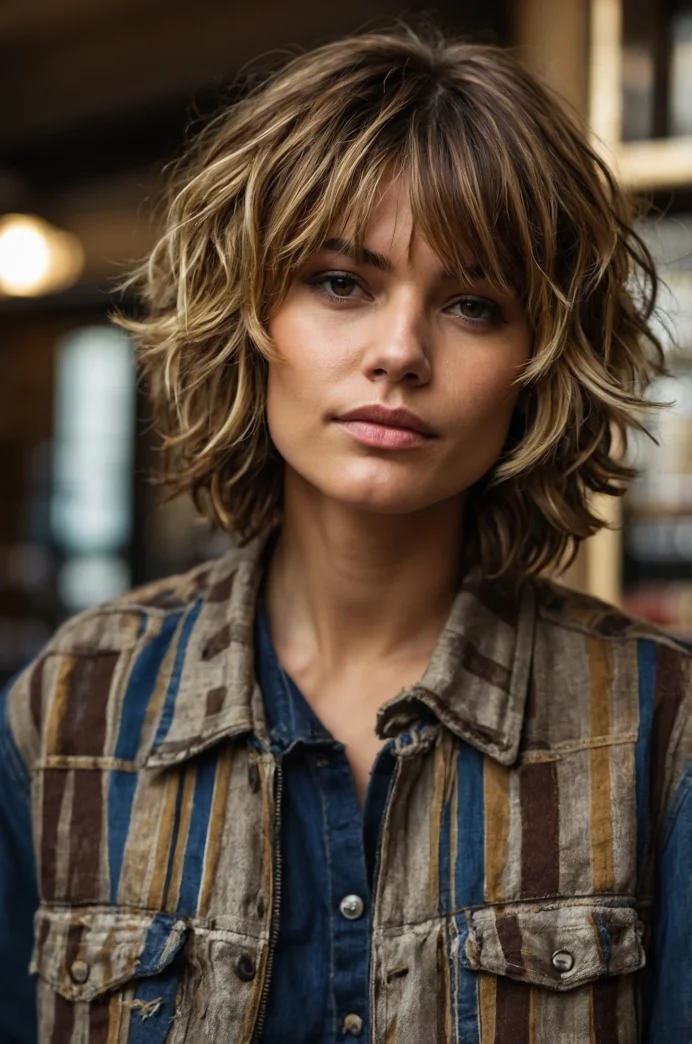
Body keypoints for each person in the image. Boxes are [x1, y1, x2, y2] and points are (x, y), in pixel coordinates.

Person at [0, 23, 690, 1044]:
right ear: (251, 315)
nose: (398, 353)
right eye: (340, 283)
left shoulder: (656, 727)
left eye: (471, 304)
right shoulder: (73, 707)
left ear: (539, 362)